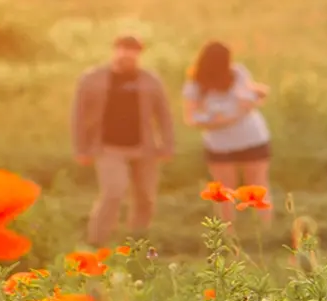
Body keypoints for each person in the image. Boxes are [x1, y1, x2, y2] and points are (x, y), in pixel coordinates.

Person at [71, 35, 175, 247]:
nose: (127, 55)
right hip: (108, 147)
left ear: (139, 54)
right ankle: (96, 242)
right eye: (123, 49)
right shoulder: (92, 79)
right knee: (113, 192)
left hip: (144, 147)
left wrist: (167, 144)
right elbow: (78, 116)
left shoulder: (150, 80)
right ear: (115, 50)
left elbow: (164, 115)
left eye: (133, 51)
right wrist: (81, 148)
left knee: (146, 197)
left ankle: (136, 241)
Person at [181, 41, 272, 225]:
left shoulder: (237, 73)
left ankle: (263, 229)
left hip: (251, 138)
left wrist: (253, 98)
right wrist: (217, 121)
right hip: (220, 143)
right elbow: (191, 118)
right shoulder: (196, 85)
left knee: (256, 186)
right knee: (224, 190)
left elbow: (250, 96)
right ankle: (228, 232)